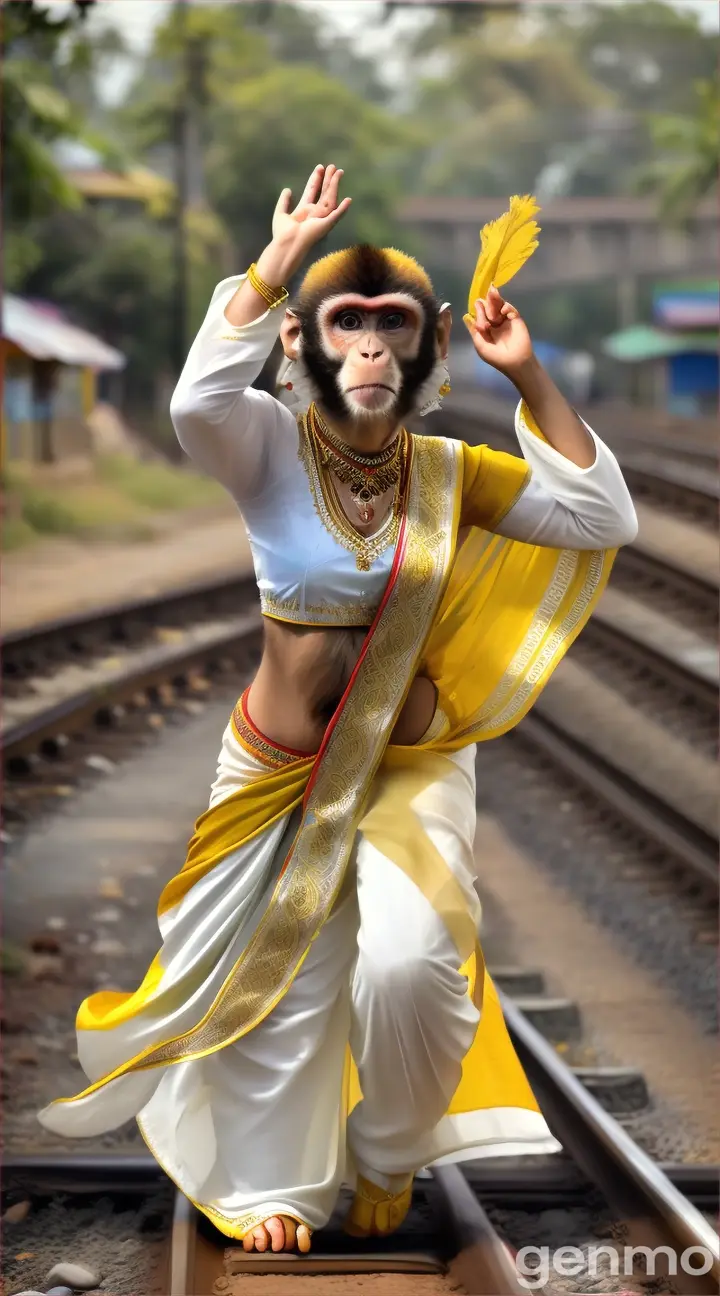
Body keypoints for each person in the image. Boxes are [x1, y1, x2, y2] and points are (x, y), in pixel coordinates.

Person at [40, 165, 637, 1255]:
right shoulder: (265, 445)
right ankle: (275, 1185)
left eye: (391, 325)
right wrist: (274, 263)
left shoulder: (456, 473)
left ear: (429, 346)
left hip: (410, 770)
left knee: (411, 966)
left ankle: (389, 1157)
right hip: (276, 764)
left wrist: (530, 375)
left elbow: (603, 517)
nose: (369, 346)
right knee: (285, 976)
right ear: (302, 345)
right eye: (346, 323)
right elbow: (192, 402)